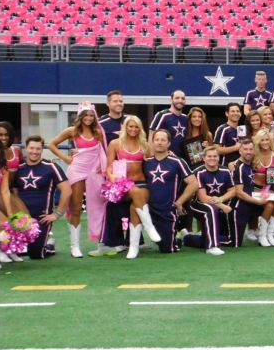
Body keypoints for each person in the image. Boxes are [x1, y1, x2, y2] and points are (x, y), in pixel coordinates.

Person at [48, 104, 108, 258]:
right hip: (77, 170)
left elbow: (103, 151)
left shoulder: (98, 131)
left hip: (95, 171)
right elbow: (51, 144)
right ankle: (75, 246)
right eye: (85, 115)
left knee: (99, 205)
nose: (88, 118)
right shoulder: (72, 131)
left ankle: (101, 242)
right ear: (80, 116)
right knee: (76, 207)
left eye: (91, 115)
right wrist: (65, 158)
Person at [104, 115, 156, 259]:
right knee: (134, 191)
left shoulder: (145, 145)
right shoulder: (115, 143)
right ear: (125, 127)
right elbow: (108, 166)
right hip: (123, 184)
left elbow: (153, 162)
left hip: (141, 181)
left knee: (135, 205)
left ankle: (133, 247)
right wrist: (112, 176)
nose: (133, 129)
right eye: (130, 126)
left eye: (136, 126)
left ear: (140, 128)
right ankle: (149, 225)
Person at [11, 135, 71, 260]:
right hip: (21, 218)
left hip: (41, 219)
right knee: (16, 250)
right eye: (32, 148)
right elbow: (12, 193)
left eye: (38, 149)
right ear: (26, 148)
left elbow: (67, 190)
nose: (34, 151)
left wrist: (57, 214)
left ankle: (49, 245)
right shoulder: (17, 168)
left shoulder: (51, 167)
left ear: (42, 150)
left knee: (36, 254)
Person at [140, 129, 194, 254]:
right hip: (149, 210)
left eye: (163, 140)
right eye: (157, 140)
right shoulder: (146, 162)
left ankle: (184, 238)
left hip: (167, 212)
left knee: (167, 249)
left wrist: (180, 202)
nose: (160, 143)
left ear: (169, 143)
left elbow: (194, 183)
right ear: (152, 142)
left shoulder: (177, 162)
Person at [176, 147, 237, 256]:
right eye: (209, 156)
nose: (212, 158)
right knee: (211, 209)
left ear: (219, 158)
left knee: (231, 241)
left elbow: (233, 191)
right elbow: (203, 198)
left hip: (218, 202)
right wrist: (221, 205)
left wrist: (221, 199)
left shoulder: (226, 171)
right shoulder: (199, 172)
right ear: (203, 158)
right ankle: (212, 246)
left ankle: (187, 238)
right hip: (197, 205)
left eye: (215, 156)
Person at [229, 137, 264, 248]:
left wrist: (264, 195)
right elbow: (239, 193)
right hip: (238, 207)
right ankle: (192, 239)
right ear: (240, 151)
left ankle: (265, 235)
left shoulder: (249, 165)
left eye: (250, 149)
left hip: (248, 205)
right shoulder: (238, 167)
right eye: (245, 149)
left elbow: (249, 187)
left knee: (273, 203)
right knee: (234, 243)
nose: (248, 152)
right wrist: (257, 201)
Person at [251, 130, 274, 246]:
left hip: (267, 188)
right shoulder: (253, 154)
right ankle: (261, 235)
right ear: (258, 142)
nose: (265, 142)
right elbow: (235, 163)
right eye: (262, 140)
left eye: (267, 140)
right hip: (254, 188)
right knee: (269, 205)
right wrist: (231, 165)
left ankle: (270, 234)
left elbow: (271, 179)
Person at [149, 90, 188, 154]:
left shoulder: (185, 118)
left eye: (182, 98)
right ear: (171, 100)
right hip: (165, 158)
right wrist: (152, 157)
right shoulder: (162, 115)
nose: (180, 101)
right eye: (177, 98)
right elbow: (151, 136)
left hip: (181, 158)